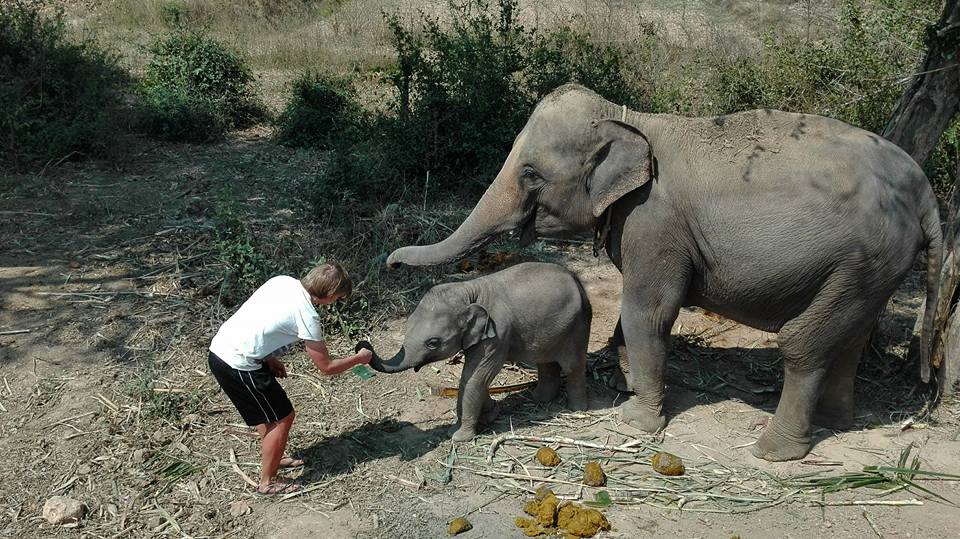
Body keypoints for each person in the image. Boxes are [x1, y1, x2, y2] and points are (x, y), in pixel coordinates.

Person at [207, 262, 373, 495]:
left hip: (222, 349)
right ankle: (268, 481)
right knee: (283, 417)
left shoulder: (282, 281)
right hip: (238, 364)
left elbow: (260, 321)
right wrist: (359, 358)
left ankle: (275, 457)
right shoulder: (307, 315)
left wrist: (267, 358)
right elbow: (326, 367)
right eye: (336, 298)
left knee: (270, 415)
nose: (334, 303)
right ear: (329, 294)